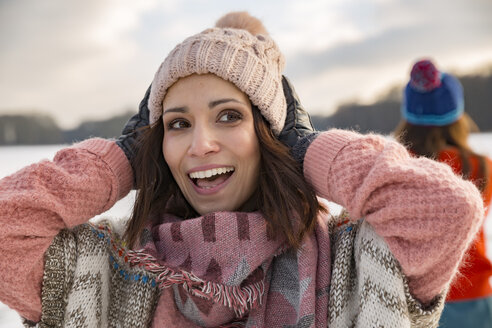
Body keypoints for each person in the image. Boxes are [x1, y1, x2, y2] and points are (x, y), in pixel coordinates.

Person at [0, 13, 484, 328]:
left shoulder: (348, 265)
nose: (200, 143)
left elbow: (446, 211)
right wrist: (126, 155)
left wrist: (306, 146)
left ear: (271, 136)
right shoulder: (111, 269)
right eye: (178, 124)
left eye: (229, 116)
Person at [394, 59, 492, 328]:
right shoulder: (481, 166)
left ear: (408, 116)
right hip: (474, 293)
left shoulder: (399, 169)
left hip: (417, 299)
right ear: (458, 117)